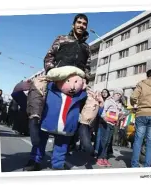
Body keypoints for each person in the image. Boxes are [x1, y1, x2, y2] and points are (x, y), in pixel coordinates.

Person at [26, 13, 91, 150]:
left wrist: (85, 80)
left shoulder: (86, 47)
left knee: (92, 101)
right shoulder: (61, 39)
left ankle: (84, 127)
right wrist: (51, 71)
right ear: (73, 24)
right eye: (79, 22)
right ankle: (34, 120)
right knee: (37, 86)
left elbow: (88, 67)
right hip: (56, 81)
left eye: (84, 24)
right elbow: (49, 56)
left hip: (75, 87)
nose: (81, 25)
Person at [130, 66, 151, 167]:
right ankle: (147, 166)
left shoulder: (142, 84)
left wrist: (134, 104)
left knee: (138, 140)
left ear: (147, 76)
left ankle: (134, 165)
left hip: (141, 113)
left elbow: (133, 97)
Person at [96, 88, 123, 167]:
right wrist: (104, 117)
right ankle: (100, 158)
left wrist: (121, 115)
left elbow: (118, 114)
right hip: (106, 123)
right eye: (117, 94)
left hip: (112, 124)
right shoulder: (108, 101)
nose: (118, 96)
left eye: (120, 95)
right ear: (113, 94)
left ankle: (104, 158)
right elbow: (103, 110)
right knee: (104, 141)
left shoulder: (119, 104)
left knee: (108, 142)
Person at [94, 89, 110, 156]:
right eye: (102, 92)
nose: (104, 93)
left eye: (105, 92)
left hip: (108, 122)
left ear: (108, 93)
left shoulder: (110, 100)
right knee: (98, 137)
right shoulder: (99, 100)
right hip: (100, 121)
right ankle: (96, 151)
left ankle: (104, 152)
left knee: (106, 138)